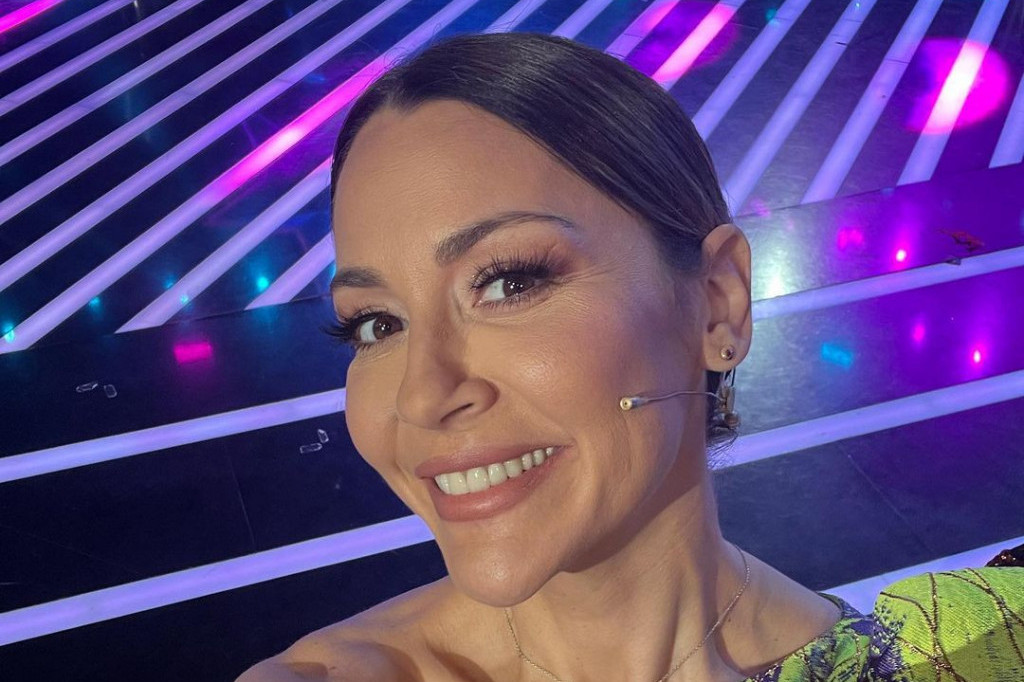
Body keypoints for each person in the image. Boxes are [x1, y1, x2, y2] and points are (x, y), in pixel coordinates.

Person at [238, 32, 1022, 681]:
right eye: (376, 324)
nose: (421, 395)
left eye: (509, 282)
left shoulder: (968, 652)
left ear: (716, 302)